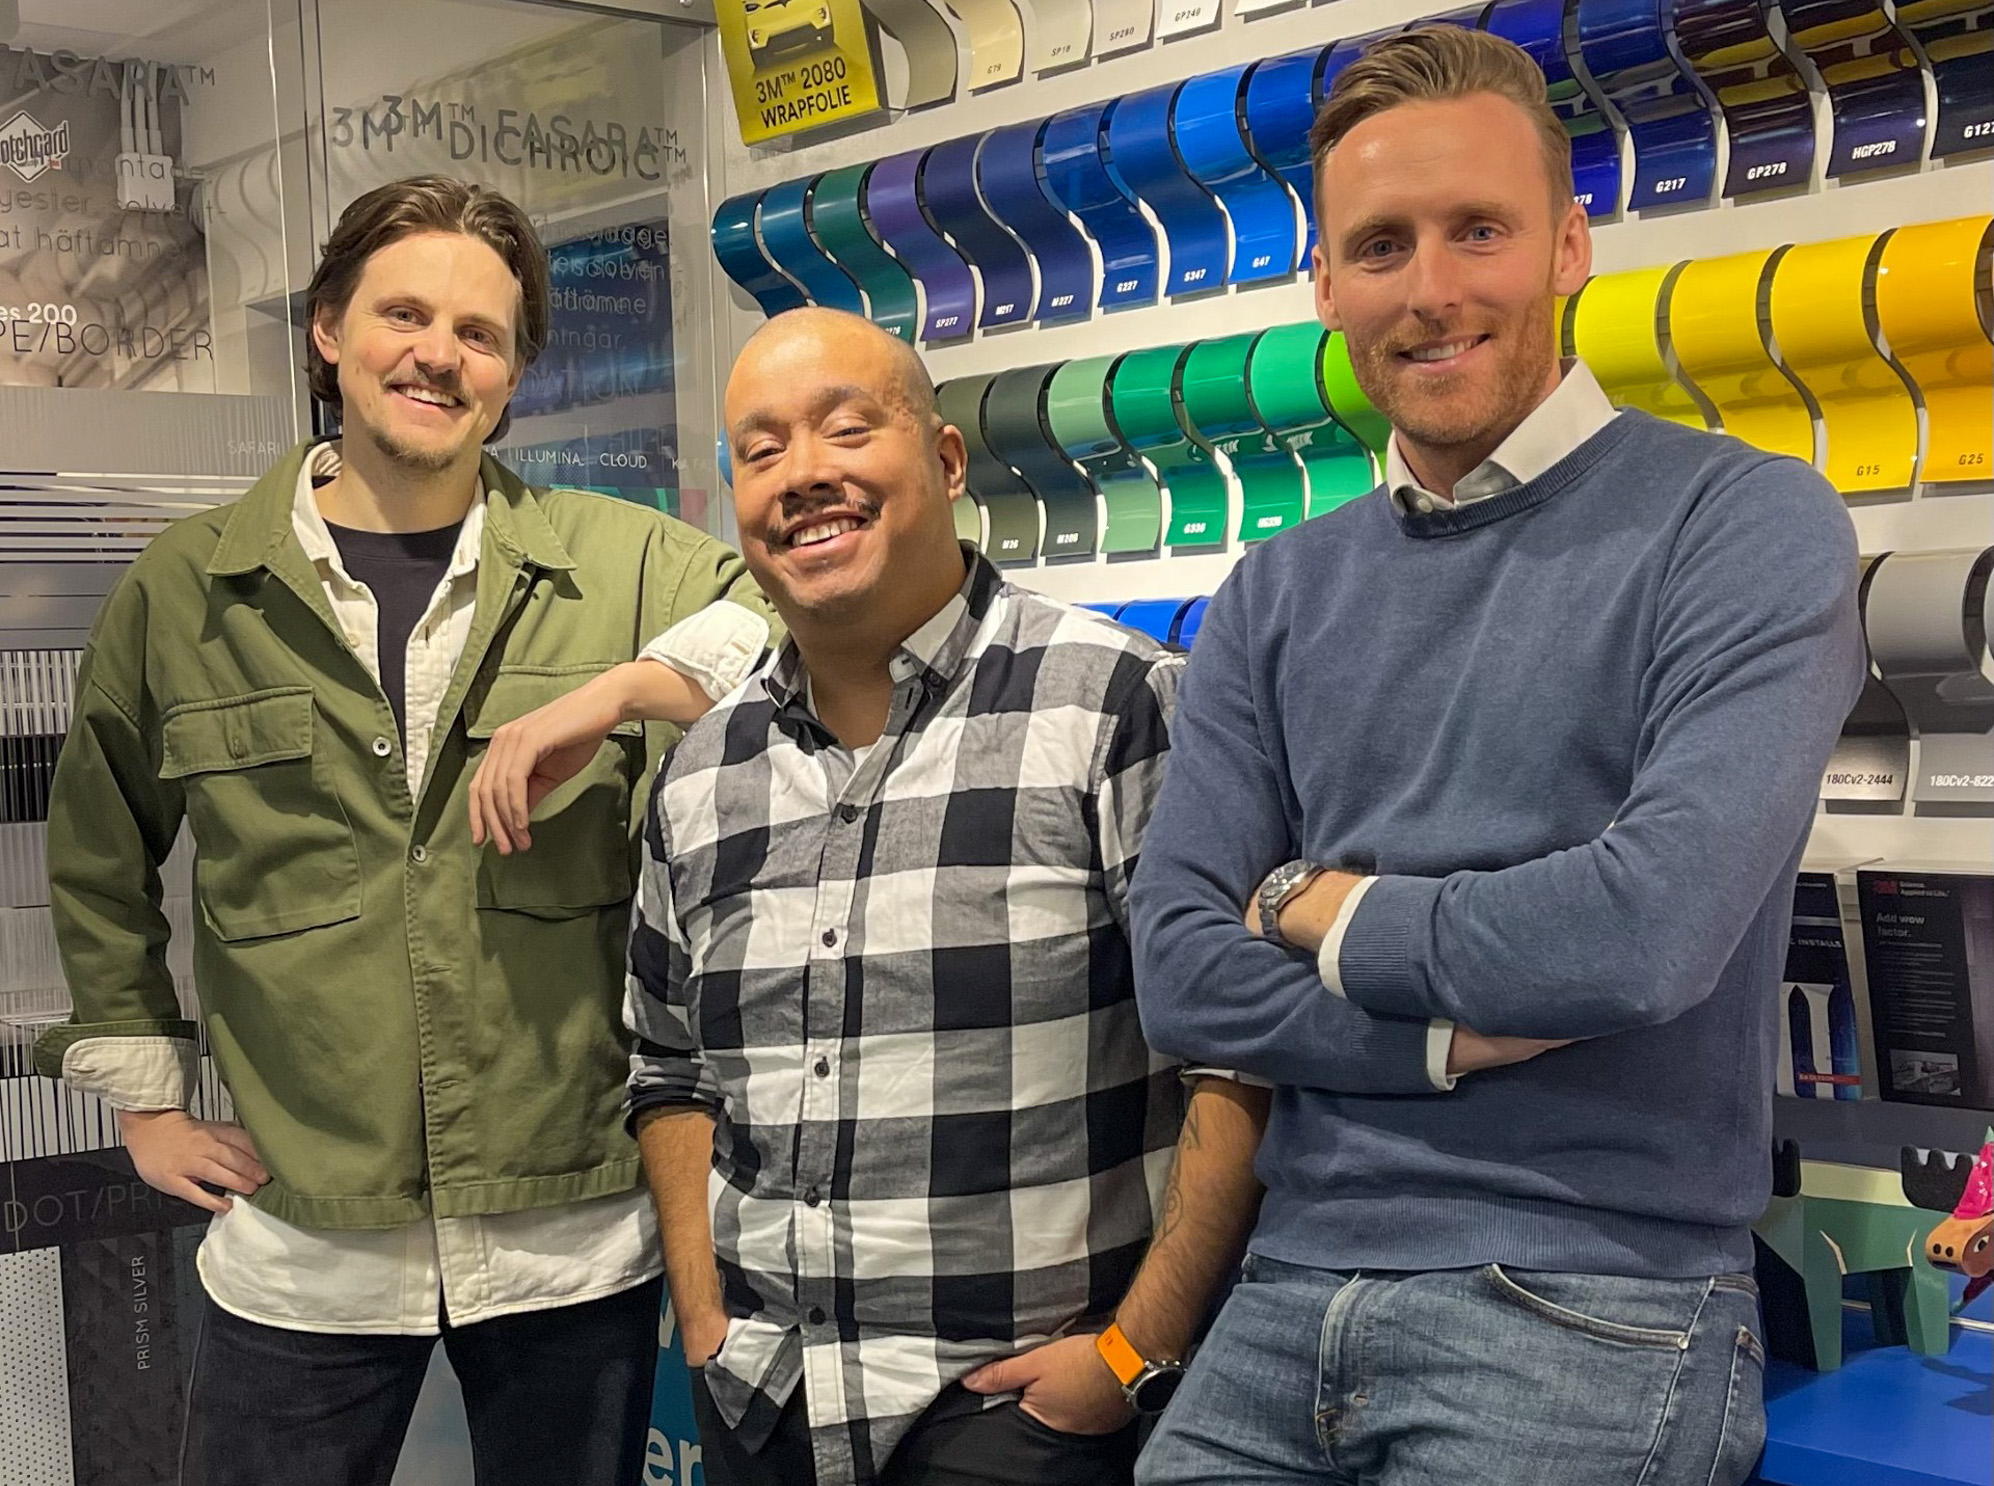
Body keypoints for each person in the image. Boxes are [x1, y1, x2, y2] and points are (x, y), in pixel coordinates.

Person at [1130, 27, 1863, 1486]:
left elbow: (1641, 931)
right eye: (1380, 246)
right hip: (1278, 1293)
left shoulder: (1745, 524)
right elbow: (1178, 969)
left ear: (1568, 246)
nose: (1431, 289)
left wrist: (1318, 904)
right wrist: (1444, 1039)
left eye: (1479, 230)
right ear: (1325, 284)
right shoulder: (1274, 592)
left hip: (1596, 1297)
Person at [34, 175, 771, 1486]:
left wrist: (612, 692)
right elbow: (100, 853)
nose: (439, 354)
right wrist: (148, 1104)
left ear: (514, 373)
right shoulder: (189, 591)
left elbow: (779, 618)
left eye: (480, 333)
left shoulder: (619, 565)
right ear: (328, 328)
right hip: (304, 1242)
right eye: (405, 314)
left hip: (567, 1237)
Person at [622, 306, 1270, 1486]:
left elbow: (1234, 1056)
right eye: (761, 451)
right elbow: (668, 1068)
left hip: (1021, 1415)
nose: (802, 474)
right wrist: (705, 1314)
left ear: (945, 459)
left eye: (845, 429)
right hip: (764, 1401)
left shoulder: (1114, 703)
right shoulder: (701, 772)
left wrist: (1134, 1350)